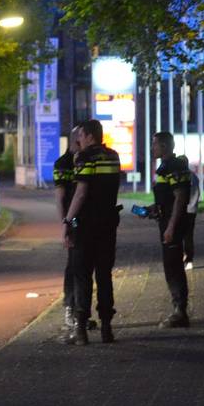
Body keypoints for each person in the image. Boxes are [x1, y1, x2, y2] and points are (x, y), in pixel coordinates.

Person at [62, 119, 121, 345]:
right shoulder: (113, 156)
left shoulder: (84, 157)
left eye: (81, 136)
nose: (78, 140)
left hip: (85, 225)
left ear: (88, 136)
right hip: (108, 223)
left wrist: (68, 220)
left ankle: (81, 331)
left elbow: (81, 192)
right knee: (104, 275)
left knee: (82, 275)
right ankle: (107, 328)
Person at [53, 131, 95, 330]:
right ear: (77, 141)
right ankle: (71, 309)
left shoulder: (87, 159)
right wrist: (65, 223)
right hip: (75, 221)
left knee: (84, 267)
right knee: (74, 265)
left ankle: (81, 312)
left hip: (88, 219)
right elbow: (61, 197)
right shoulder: (63, 163)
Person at [152, 132, 192, 327]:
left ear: (165, 147)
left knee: (173, 267)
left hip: (171, 224)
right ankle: (179, 309)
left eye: (155, 145)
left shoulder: (173, 167)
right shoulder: (167, 167)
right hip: (167, 220)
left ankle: (180, 311)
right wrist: (154, 209)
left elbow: (180, 197)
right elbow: (168, 197)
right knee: (171, 265)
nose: (153, 148)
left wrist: (171, 226)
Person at [178, 155, 201, 270]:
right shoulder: (194, 176)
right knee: (188, 236)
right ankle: (189, 260)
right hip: (192, 210)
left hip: (181, 210)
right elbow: (197, 193)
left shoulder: (180, 176)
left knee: (178, 235)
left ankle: (183, 256)